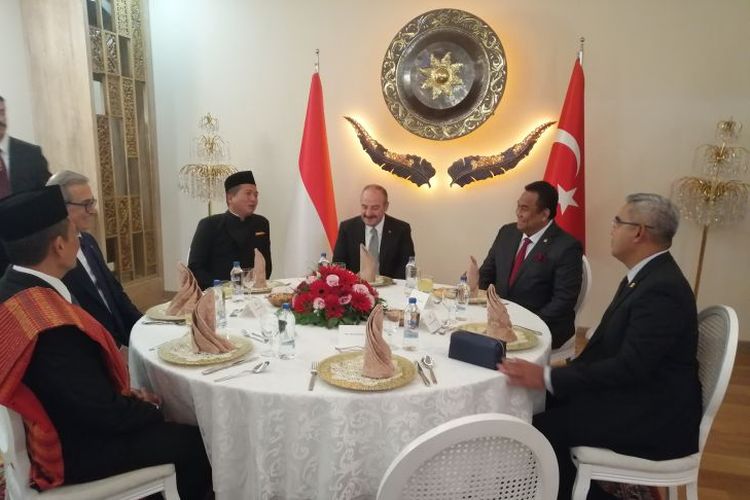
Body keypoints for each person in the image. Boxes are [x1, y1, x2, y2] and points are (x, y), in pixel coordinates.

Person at [0, 186, 212, 499]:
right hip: (75, 448)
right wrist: (154, 408)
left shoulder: (12, 286)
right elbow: (102, 413)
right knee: (198, 442)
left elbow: (80, 391)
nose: (80, 241)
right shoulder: (50, 324)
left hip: (62, 419)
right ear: (59, 246)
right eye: (74, 234)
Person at [499, 193, 702, 500]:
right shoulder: (646, 276)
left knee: (542, 426)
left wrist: (547, 377)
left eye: (618, 221)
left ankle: (561, 491)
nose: (612, 228)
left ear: (639, 232)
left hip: (655, 414)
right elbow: (609, 349)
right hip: (641, 393)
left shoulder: (662, 290)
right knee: (539, 402)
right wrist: (557, 370)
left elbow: (629, 367)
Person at [478, 180, 583, 348]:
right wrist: (477, 300)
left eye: (524, 208)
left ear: (544, 214)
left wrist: (527, 324)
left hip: (541, 327)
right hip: (499, 322)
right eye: (518, 206)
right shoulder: (507, 232)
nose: (518, 213)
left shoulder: (567, 247)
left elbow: (563, 301)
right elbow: (486, 274)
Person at [47, 170, 141, 347]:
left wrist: (144, 327)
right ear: (61, 207)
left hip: (118, 339)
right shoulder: (52, 258)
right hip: (95, 348)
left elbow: (114, 292)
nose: (93, 211)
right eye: (86, 204)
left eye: (92, 202)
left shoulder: (88, 241)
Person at [189, 170, 272, 289]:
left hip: (254, 292)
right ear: (230, 198)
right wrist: (223, 287)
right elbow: (195, 269)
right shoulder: (209, 225)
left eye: (256, 194)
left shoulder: (261, 223)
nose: (254, 199)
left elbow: (266, 265)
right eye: (248, 193)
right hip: (218, 294)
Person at [332, 184, 415, 279]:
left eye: (375, 208)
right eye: (364, 207)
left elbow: (406, 266)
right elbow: (338, 265)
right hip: (356, 288)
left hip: (391, 288)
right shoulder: (347, 228)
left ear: (386, 206)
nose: (368, 213)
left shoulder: (401, 229)